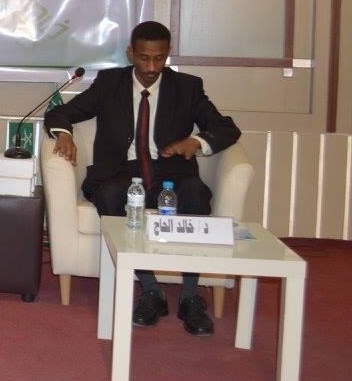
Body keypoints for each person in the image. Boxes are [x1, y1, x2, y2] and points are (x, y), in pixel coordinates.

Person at [44, 20, 241, 336]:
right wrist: (64, 134)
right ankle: (150, 289)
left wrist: (196, 141)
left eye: (159, 59)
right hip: (122, 174)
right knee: (109, 194)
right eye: (144, 58)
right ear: (131, 53)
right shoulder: (110, 83)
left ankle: (191, 296)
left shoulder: (187, 87)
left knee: (195, 193)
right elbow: (61, 112)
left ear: (167, 54)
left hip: (171, 175)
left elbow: (226, 128)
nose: (151, 68)